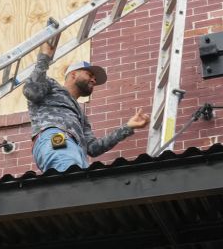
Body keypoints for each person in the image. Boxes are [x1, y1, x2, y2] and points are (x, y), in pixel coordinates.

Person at [22, 36, 149, 172]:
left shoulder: (80, 114)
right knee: (70, 180)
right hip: (56, 138)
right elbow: (31, 91)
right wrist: (44, 57)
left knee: (80, 185)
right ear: (73, 75)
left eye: (94, 78)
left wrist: (128, 127)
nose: (93, 80)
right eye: (89, 74)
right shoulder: (51, 85)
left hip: (76, 151)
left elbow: (93, 148)